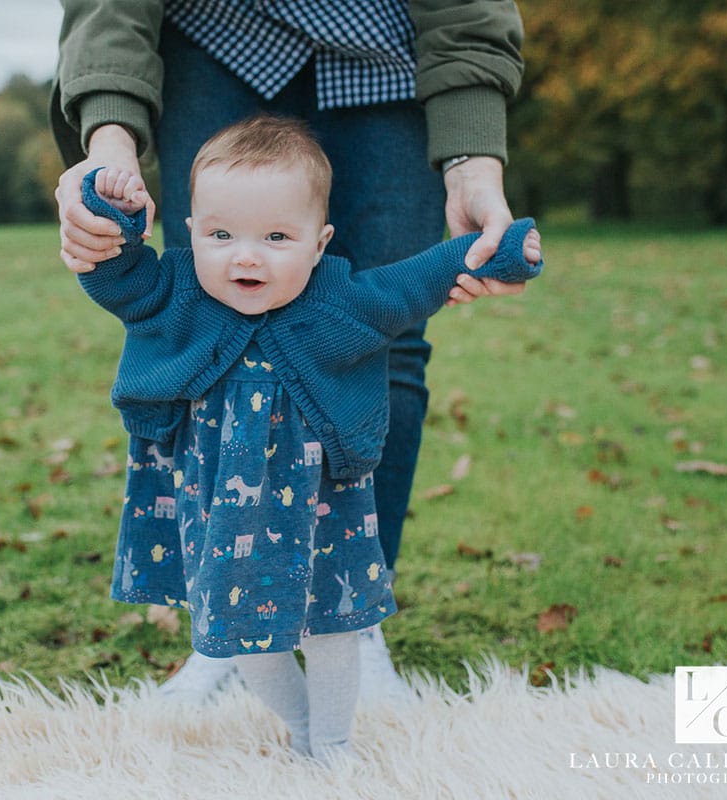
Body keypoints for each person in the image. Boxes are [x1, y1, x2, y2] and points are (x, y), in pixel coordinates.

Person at [52, 0, 539, 702]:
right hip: (212, 39)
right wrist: (109, 147)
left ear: (321, 241)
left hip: (386, 51)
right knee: (207, 313)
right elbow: (135, 282)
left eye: (280, 243)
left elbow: (404, 288)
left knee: (387, 344)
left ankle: (351, 610)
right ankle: (224, 610)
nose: (251, 256)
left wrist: (475, 173)